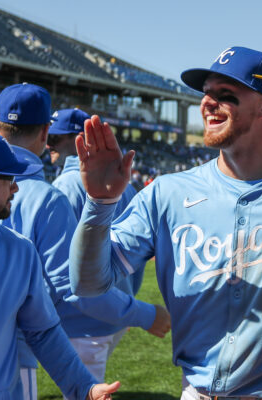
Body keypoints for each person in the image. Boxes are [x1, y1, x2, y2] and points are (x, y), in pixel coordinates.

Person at [68, 46, 262, 400]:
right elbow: (88, 284)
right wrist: (99, 204)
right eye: (207, 93)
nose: (208, 103)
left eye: (226, 95)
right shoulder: (167, 194)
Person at [0, 85, 170, 397]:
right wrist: (142, 312)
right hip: (98, 313)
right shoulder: (47, 195)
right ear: (45, 132)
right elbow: (80, 285)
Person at [0, 129, 120, 400]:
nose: (16, 187)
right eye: (7, 178)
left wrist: (84, 387)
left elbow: (43, 332)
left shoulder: (20, 250)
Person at [48, 107, 171, 383]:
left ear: (82, 138)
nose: (48, 144)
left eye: (55, 139)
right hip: (116, 310)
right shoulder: (125, 184)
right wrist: (128, 306)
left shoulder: (63, 186)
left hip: (83, 320)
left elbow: (67, 279)